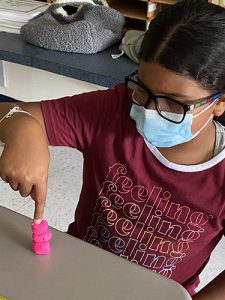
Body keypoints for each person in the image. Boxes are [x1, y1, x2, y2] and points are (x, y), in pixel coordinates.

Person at [0, 0, 224, 298]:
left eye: (174, 103)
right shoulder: (115, 110)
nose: (148, 110)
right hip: (78, 267)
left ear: (219, 103)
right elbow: (14, 113)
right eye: (141, 88)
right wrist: (24, 130)